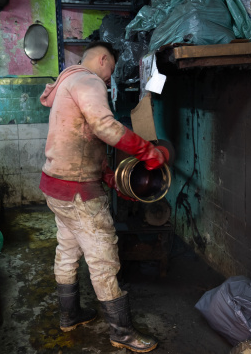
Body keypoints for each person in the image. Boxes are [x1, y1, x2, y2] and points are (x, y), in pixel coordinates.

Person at [39, 41, 167, 353]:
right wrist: (147, 151)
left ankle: (70, 315)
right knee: (103, 259)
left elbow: (84, 137)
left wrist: (109, 176)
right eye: (110, 69)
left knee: (67, 251)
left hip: (56, 186)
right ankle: (122, 332)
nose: (110, 78)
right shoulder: (89, 80)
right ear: (102, 59)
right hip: (79, 193)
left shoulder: (68, 82)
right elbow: (103, 126)